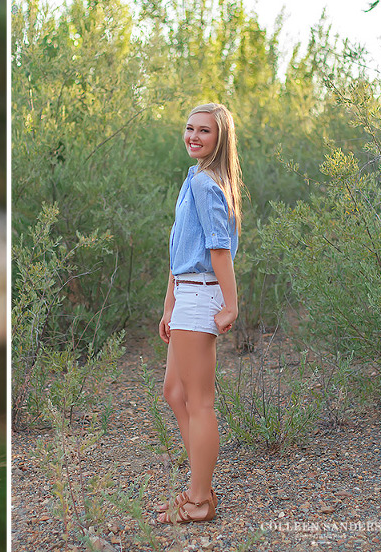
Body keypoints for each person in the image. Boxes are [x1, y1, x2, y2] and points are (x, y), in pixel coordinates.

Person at [156, 103, 243, 524]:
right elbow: (179, 250)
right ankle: (200, 486)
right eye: (189, 128)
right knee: (174, 392)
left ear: (219, 138)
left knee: (199, 402)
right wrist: (169, 304)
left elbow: (218, 247)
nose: (193, 136)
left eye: (203, 131)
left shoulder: (208, 183)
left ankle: (199, 499)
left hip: (203, 294)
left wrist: (231, 304)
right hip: (186, 295)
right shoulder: (192, 177)